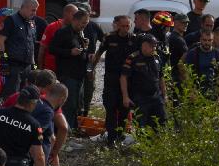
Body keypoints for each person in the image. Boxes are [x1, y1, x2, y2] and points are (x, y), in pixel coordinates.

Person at [94, 14, 139, 144]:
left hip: (127, 79)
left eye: (128, 26)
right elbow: (99, 53)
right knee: (110, 107)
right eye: (123, 26)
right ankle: (111, 137)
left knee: (124, 109)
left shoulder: (134, 39)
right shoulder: (109, 38)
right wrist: (92, 70)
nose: (126, 28)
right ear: (117, 25)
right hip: (111, 78)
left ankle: (120, 136)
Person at [50, 8, 94, 132]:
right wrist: (69, 52)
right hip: (67, 74)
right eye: (82, 23)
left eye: (86, 23)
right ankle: (64, 130)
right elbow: (52, 49)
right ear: (74, 20)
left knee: (77, 104)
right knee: (69, 104)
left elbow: (80, 51)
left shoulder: (80, 33)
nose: (84, 26)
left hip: (79, 74)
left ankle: (73, 128)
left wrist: (86, 52)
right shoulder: (63, 32)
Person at [121, 33, 167, 128]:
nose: (154, 48)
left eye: (155, 46)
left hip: (156, 96)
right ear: (144, 45)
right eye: (151, 46)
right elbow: (123, 78)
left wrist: (165, 95)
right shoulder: (133, 58)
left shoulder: (157, 57)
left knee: (162, 122)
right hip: (140, 98)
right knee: (142, 126)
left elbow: (161, 77)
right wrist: (125, 97)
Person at [0, 0, 40, 96]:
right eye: (33, 10)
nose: (35, 13)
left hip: (27, 66)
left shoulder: (32, 23)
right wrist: (3, 62)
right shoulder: (11, 20)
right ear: (24, 8)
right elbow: (0, 41)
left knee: (24, 96)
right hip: (13, 66)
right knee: (12, 95)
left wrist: (34, 65)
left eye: (36, 10)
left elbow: (31, 44)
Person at [180, 27, 219, 101]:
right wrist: (191, 90)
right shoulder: (193, 53)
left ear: (212, 41)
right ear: (200, 40)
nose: (207, 43)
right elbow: (184, 71)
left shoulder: (218, 54)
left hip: (214, 90)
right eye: (204, 40)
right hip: (197, 89)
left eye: (209, 40)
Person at [38, 3, 75, 72]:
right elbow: (42, 49)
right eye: (74, 15)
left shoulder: (75, 28)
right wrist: (40, 69)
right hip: (51, 69)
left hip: (67, 70)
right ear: (66, 14)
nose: (76, 17)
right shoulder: (52, 27)